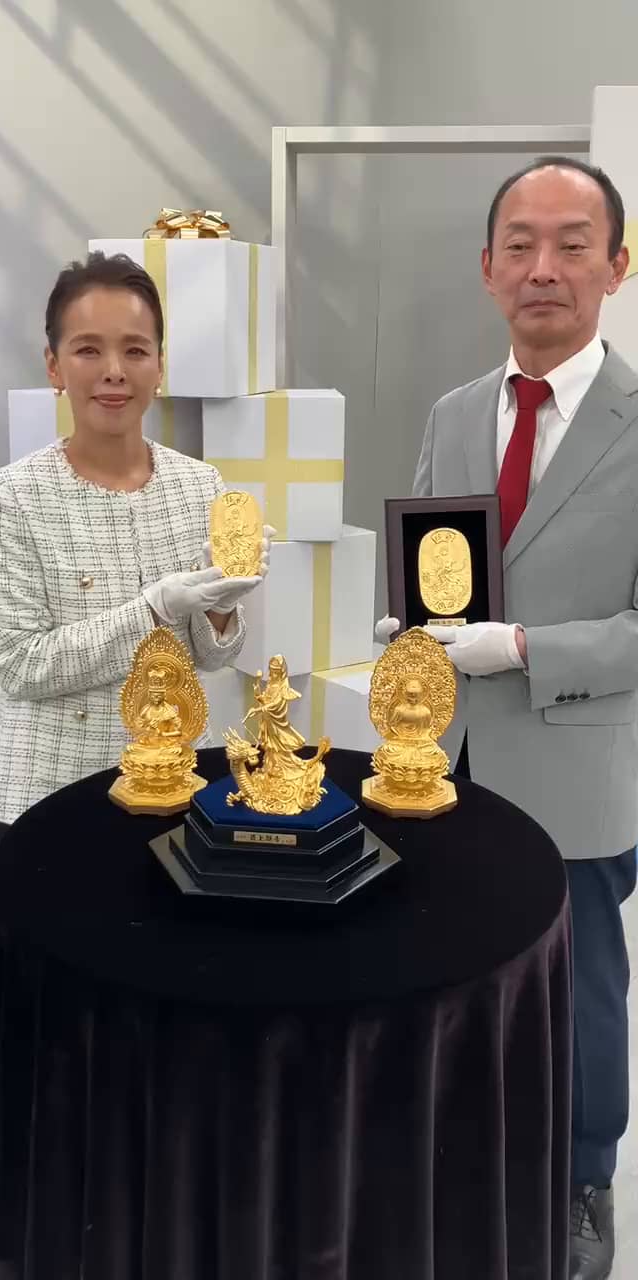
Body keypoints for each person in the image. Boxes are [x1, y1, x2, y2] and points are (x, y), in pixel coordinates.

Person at [377, 156, 637, 1280]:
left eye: (573, 244)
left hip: (575, 767)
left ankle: (582, 1180)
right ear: (487, 268)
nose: (544, 268)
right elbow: (437, 565)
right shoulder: (452, 413)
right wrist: (408, 624)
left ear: (617, 266)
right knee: (451, 968)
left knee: (580, 991)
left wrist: (526, 649)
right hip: (444, 758)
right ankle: (462, 1156)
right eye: (520, 245)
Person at [0, 251, 273, 833]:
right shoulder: (12, 495)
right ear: (54, 366)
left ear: (160, 366)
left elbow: (212, 659)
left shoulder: (199, 484)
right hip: (55, 793)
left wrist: (222, 605)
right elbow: (20, 666)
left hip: (178, 781)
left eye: (135, 350)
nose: (114, 371)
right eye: (88, 350)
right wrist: (153, 609)